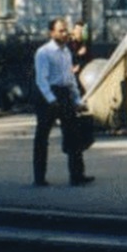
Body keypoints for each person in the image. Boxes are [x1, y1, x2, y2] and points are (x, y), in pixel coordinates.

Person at [33, 18, 93, 186]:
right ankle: (39, 177)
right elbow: (41, 80)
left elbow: (69, 78)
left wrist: (77, 99)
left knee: (73, 134)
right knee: (42, 137)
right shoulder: (44, 52)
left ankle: (77, 175)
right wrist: (51, 100)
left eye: (66, 30)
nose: (65, 33)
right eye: (61, 31)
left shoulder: (66, 52)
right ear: (52, 33)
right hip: (48, 96)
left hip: (64, 93)